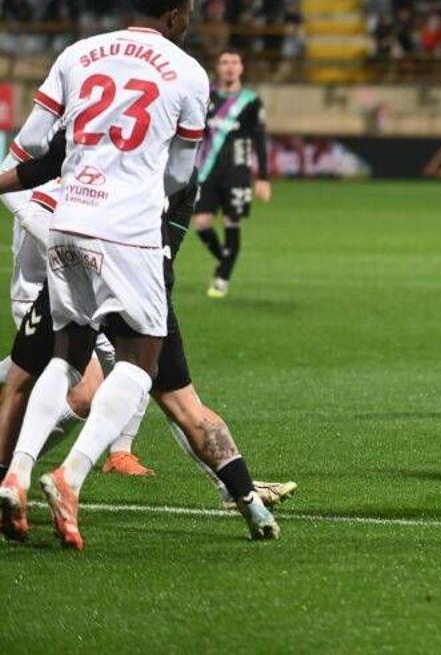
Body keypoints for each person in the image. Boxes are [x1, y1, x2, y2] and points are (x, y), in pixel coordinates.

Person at [0, 0, 269, 551]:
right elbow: (178, 173)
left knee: (65, 358)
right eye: (190, 12)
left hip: (65, 219)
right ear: (175, 15)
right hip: (127, 230)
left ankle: (14, 476)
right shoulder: (188, 73)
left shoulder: (78, 53)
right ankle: (69, 478)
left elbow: (35, 144)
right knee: (141, 363)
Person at [0, 130, 293, 544]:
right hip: (132, 272)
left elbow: (42, 168)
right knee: (170, 393)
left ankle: (16, 474)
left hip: (72, 254)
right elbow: (167, 240)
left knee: (34, 376)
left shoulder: (92, 109)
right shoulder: (177, 155)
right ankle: (72, 475)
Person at [0, 124, 154, 477]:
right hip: (42, 294)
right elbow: (32, 205)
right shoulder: (61, 141)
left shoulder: (105, 160)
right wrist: (83, 257)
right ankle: (13, 471)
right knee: (85, 393)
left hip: (81, 293)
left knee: (138, 358)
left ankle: (120, 452)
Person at [193, 48, 271, 299]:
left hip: (237, 173)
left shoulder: (250, 101)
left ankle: (222, 279)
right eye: (224, 62)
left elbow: (260, 139)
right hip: (207, 171)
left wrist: (263, 178)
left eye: (234, 62)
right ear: (217, 67)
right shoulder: (207, 98)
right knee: (202, 224)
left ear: (241, 67)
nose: (229, 67)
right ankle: (225, 259)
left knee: (231, 222)